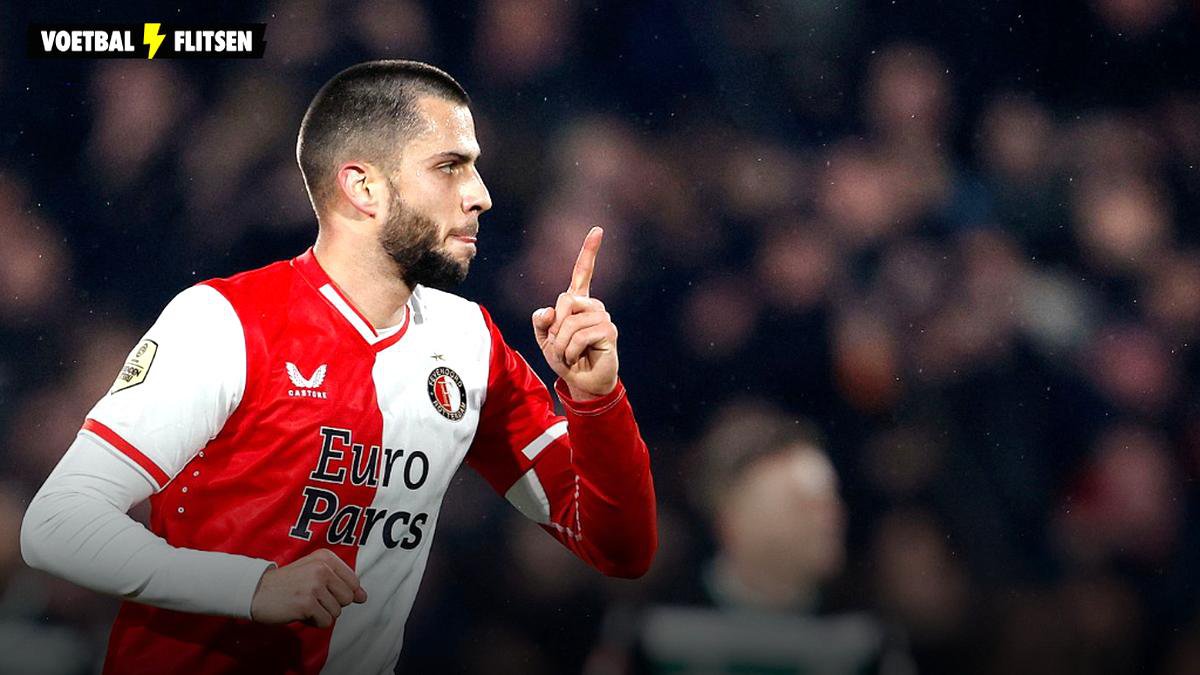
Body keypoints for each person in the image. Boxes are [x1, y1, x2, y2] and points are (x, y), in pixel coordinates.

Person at [20, 60, 657, 675]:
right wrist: (253, 586)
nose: (481, 196)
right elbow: (59, 525)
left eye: (477, 168)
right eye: (450, 167)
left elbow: (618, 548)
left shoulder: (470, 343)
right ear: (363, 187)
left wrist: (596, 400)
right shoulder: (225, 321)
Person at [588, 400, 910, 675]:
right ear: (730, 518)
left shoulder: (867, 630)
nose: (831, 518)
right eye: (800, 503)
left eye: (829, 500)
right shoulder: (651, 627)